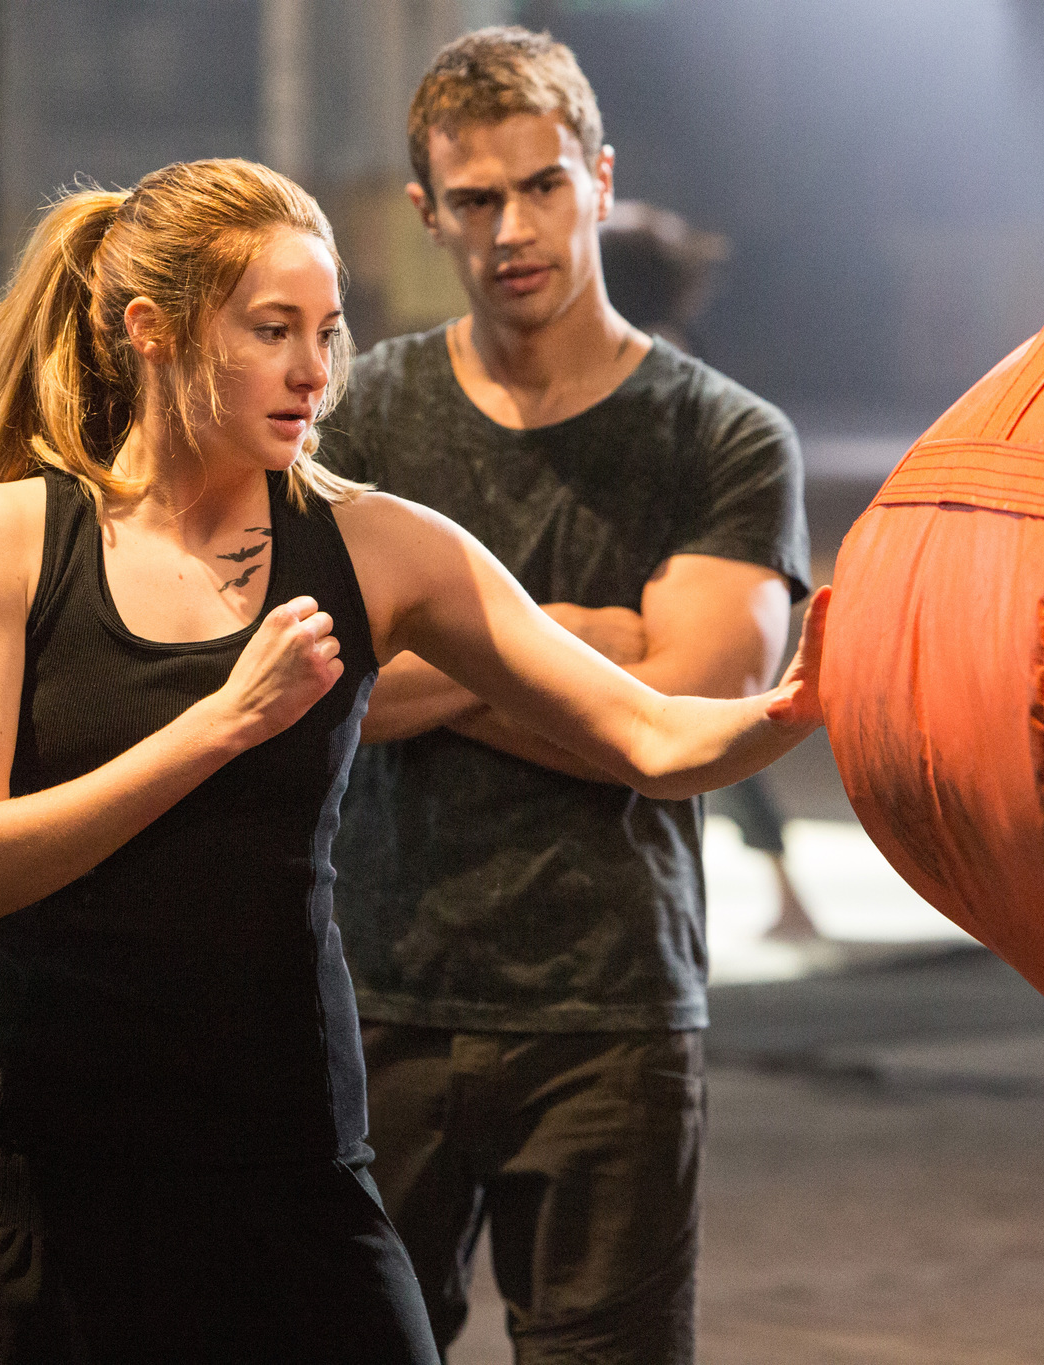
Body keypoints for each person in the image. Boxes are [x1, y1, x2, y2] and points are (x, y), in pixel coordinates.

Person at [0, 156, 826, 1365]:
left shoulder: (378, 545)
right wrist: (221, 723)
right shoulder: (6, 537)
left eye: (328, 331)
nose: (315, 370)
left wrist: (789, 711)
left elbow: (646, 732)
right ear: (150, 332)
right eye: (271, 331)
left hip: (279, 1159)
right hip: (32, 1163)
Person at [317, 29, 812, 1364]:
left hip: (613, 1014)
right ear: (429, 214)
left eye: (541, 187)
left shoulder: (724, 436)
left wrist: (438, 639)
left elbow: (692, 721)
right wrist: (592, 649)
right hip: (378, 995)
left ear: (600, 179)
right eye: (474, 201)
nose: (512, 228)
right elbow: (324, 693)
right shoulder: (362, 420)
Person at [600, 199, 822, 942]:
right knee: (696, 739)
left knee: (703, 732)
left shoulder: (647, 356)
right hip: (683, 560)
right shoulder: (664, 343)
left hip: (675, 567)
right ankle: (780, 893)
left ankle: (781, 895)